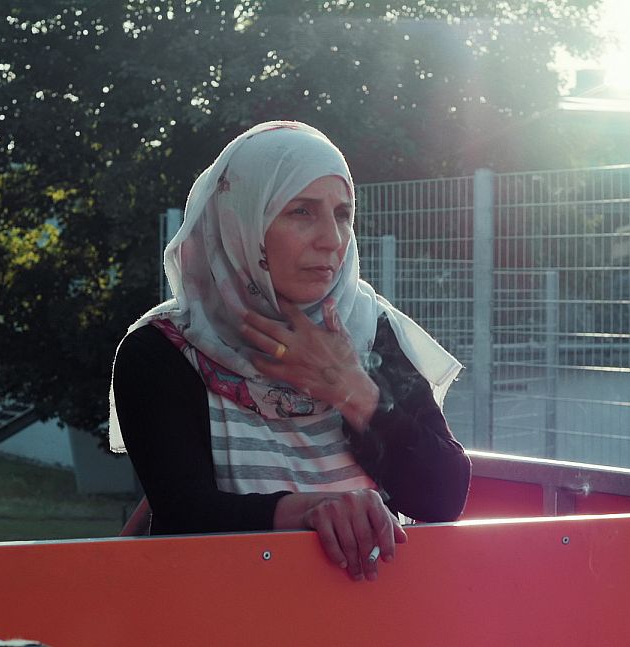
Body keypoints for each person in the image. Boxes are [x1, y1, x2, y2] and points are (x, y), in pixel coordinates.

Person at [108, 121, 470, 583]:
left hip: (372, 615)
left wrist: (352, 389)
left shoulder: (369, 332)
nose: (332, 239)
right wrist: (310, 511)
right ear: (241, 221)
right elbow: (186, 515)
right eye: (302, 211)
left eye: (342, 214)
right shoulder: (165, 350)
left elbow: (443, 496)